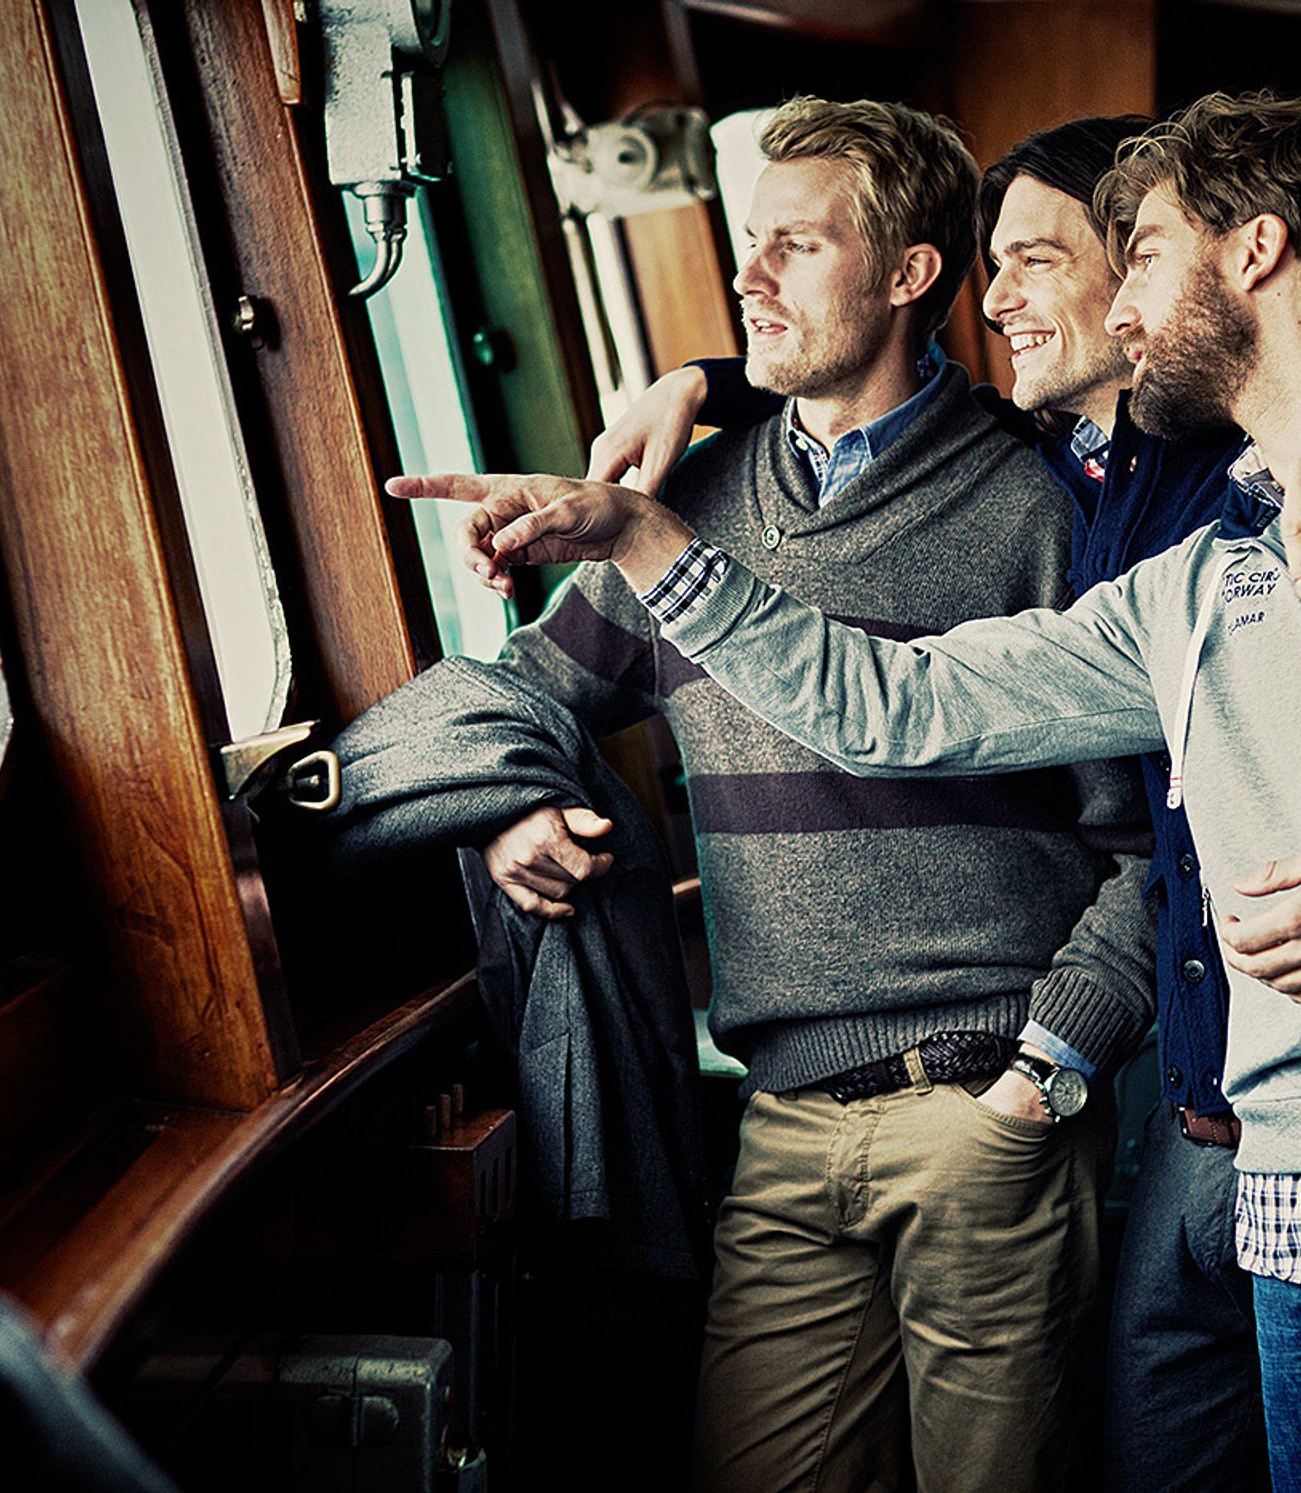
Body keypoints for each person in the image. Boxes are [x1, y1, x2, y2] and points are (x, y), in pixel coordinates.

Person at [399, 91, 1301, 1492]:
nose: (1121, 310)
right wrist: (657, 539)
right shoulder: (1192, 579)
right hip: (1297, 1203)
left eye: (1138, 255)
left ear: (1257, 247)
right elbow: (892, 708)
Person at [469, 96, 1157, 1492]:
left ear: (910, 274)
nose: (748, 277)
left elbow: (1155, 847)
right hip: (779, 1127)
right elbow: (515, 694)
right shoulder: (687, 507)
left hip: (991, 1116)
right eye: (745, 246)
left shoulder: (1045, 510)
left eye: (795, 245)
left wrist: (1047, 1070)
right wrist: (504, 801)